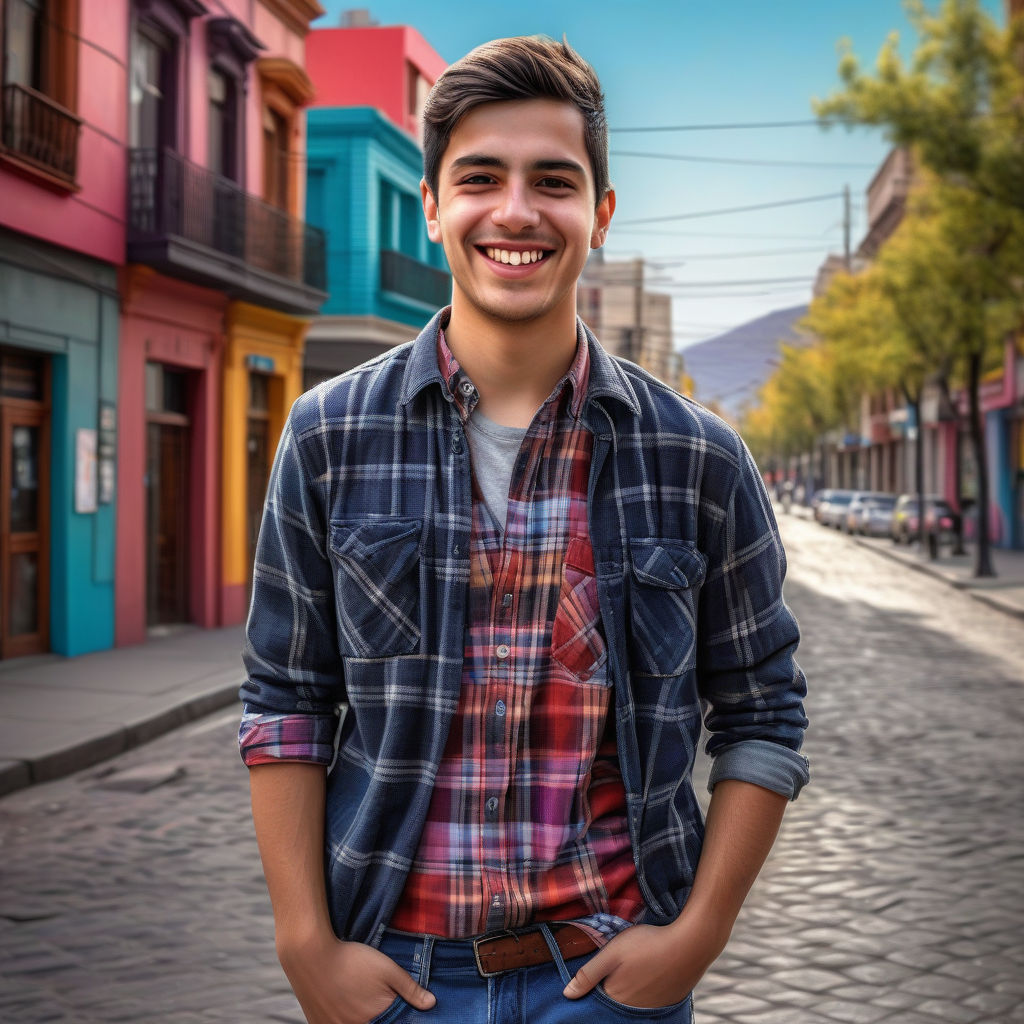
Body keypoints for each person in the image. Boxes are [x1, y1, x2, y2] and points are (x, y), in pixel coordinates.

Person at [239, 35, 809, 1024]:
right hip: (394, 977)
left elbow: (761, 711)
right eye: (478, 178)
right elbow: (287, 700)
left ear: (599, 212)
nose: (515, 211)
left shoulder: (701, 457)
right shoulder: (328, 435)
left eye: (553, 180)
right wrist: (305, 946)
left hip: (607, 976)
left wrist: (699, 933)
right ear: (430, 205)